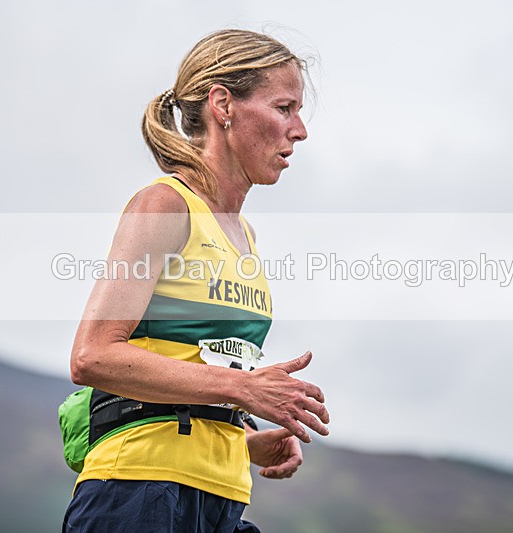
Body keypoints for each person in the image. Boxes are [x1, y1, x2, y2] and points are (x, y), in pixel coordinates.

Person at [62, 29, 330, 532]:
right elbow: (92, 355)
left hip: (222, 497)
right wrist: (245, 389)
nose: (299, 130)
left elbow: (187, 369)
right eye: (284, 107)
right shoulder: (165, 204)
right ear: (223, 104)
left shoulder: (244, 233)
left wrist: (246, 436)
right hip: (138, 490)